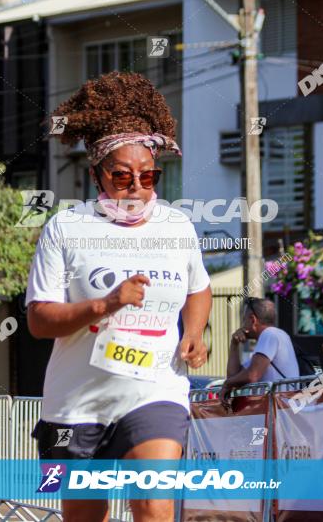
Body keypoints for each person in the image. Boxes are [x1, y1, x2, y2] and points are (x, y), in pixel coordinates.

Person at [26, 72, 211, 522]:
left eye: (149, 176)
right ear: (96, 176)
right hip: (77, 402)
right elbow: (39, 320)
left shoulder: (176, 227)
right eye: (122, 176)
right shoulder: (66, 229)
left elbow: (198, 287)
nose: (137, 186)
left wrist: (195, 332)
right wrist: (105, 304)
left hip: (155, 391)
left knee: (153, 504)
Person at [222, 298, 297, 399]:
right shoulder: (276, 335)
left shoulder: (269, 334)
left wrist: (227, 384)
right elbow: (234, 376)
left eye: (244, 319)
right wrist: (234, 344)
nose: (242, 325)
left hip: (280, 409)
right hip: (280, 407)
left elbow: (252, 375)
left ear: (253, 320)